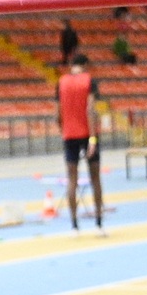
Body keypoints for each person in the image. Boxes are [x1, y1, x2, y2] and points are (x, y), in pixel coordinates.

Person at [58, 53, 102, 231]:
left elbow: (58, 113)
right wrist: (92, 139)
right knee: (95, 178)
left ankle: (74, 223)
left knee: (72, 180)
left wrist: (64, 131)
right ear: (85, 65)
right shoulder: (89, 81)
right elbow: (90, 109)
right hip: (87, 134)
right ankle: (98, 220)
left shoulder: (61, 82)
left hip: (69, 135)